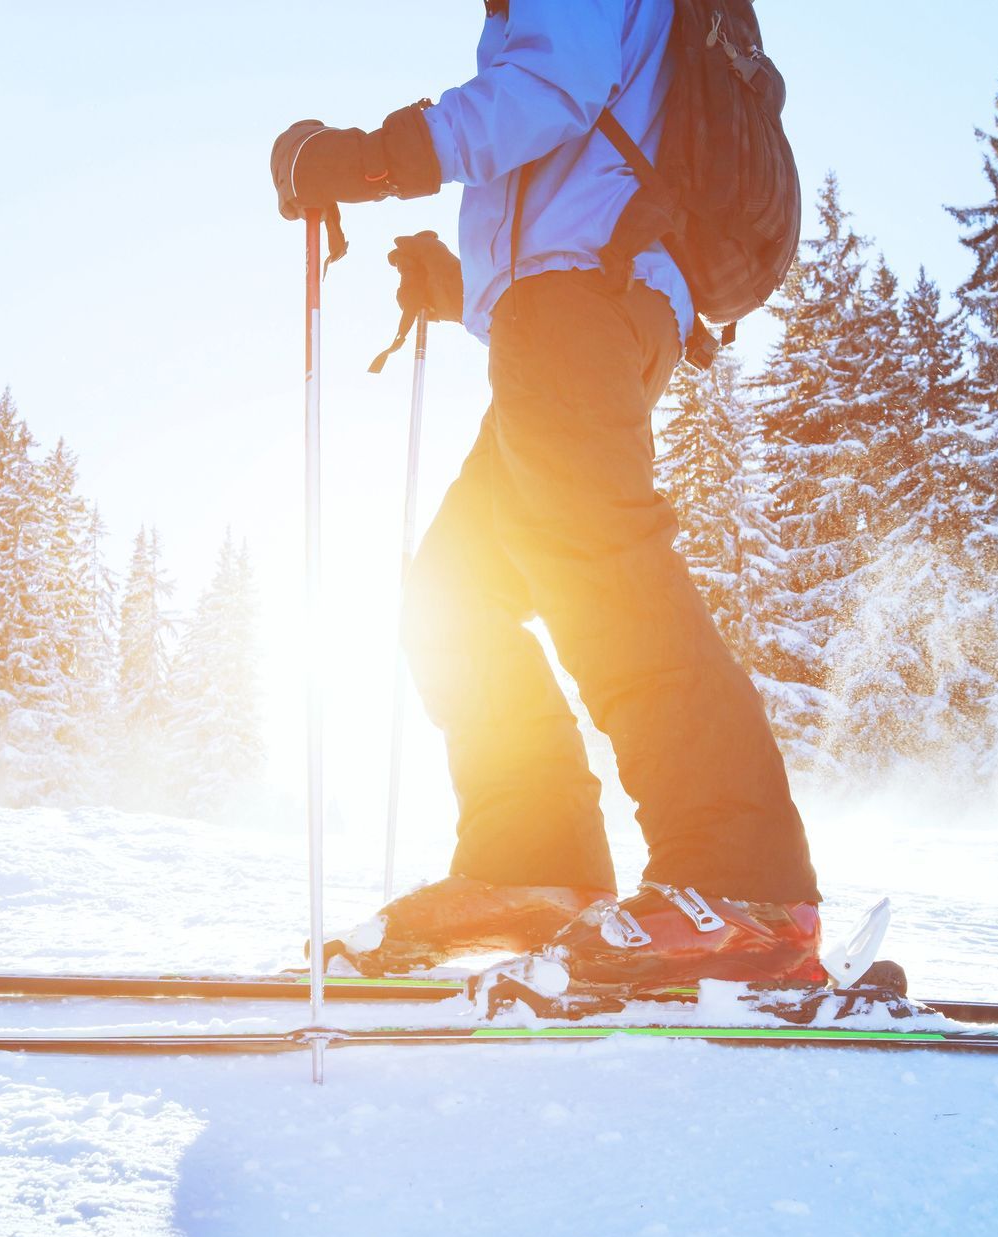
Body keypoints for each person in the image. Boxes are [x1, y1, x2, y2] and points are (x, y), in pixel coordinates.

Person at [269, 0, 824, 998]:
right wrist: (463, 284)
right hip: (577, 303)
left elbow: (546, 93)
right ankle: (536, 858)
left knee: (595, 560)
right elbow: (584, 167)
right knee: (454, 589)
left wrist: (376, 158)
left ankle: (742, 881)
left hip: (583, 301)